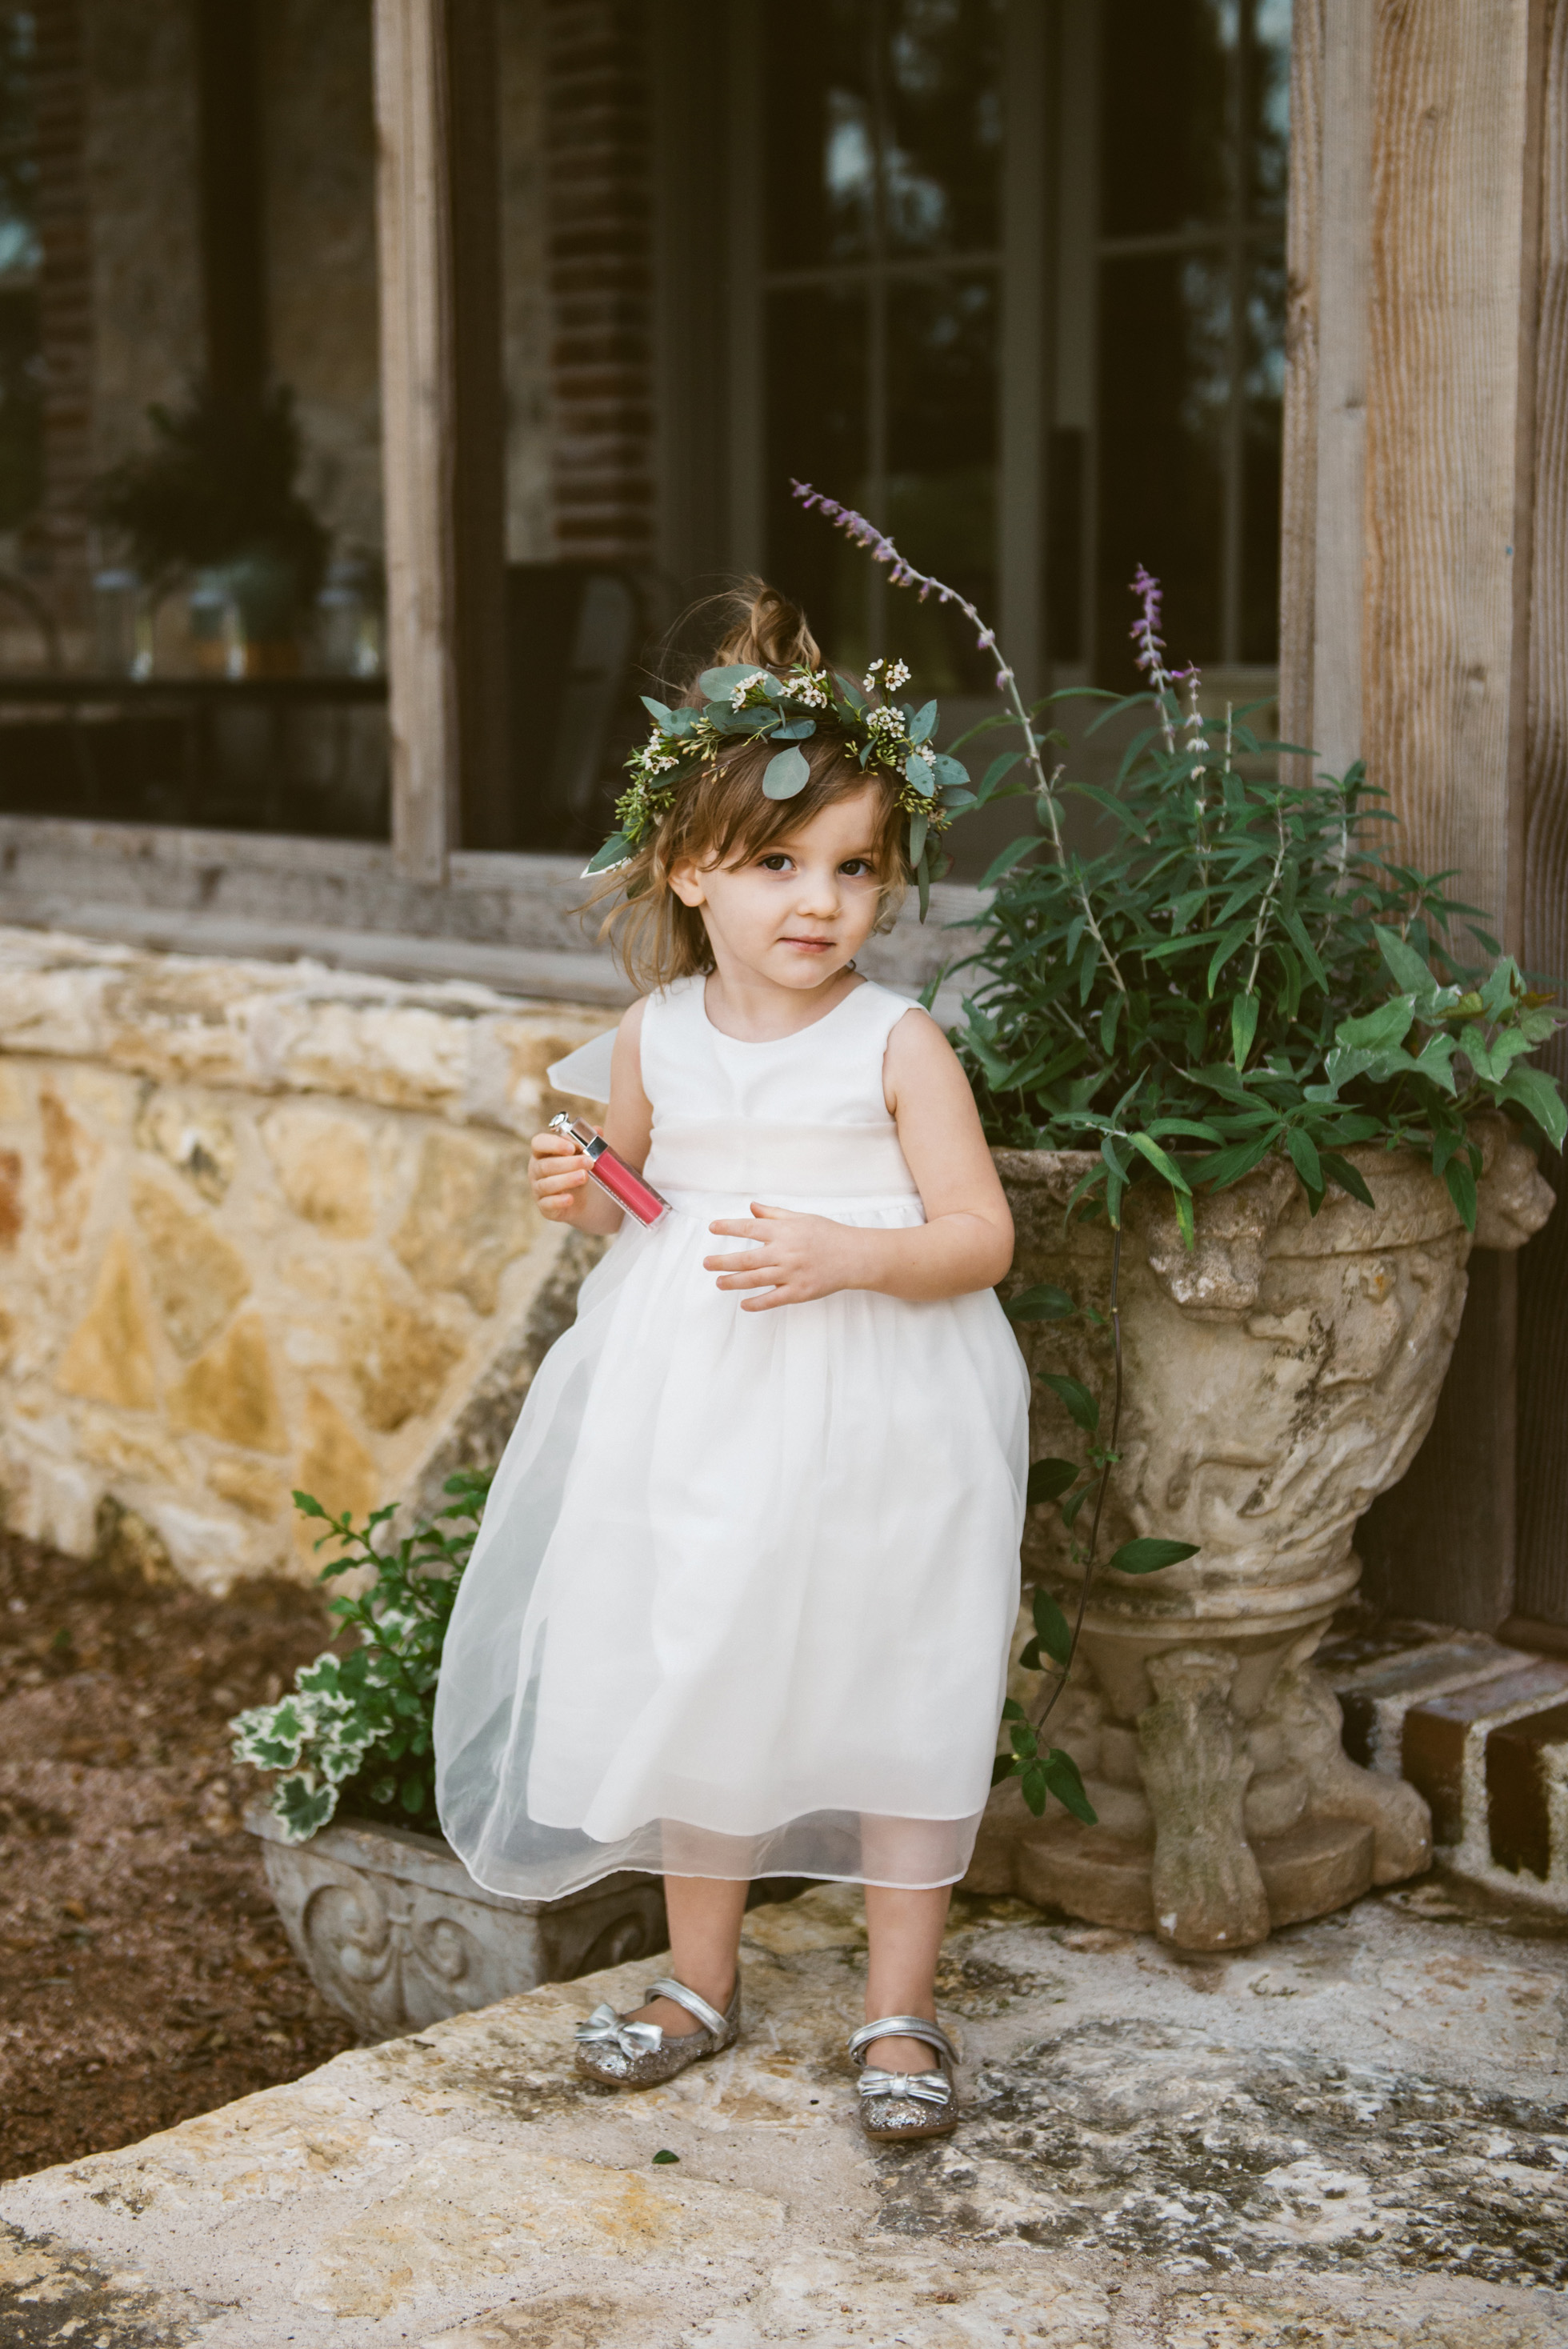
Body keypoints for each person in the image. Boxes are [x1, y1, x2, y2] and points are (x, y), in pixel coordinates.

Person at [434, 582, 1028, 2142]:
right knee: (699, 1658)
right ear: (692, 870)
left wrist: (854, 1253)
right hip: (694, 1394)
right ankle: (702, 1976)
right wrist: (589, 1193)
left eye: (852, 867)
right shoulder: (655, 1033)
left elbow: (975, 1235)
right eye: (777, 863)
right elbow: (644, 1192)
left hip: (885, 1401)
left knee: (898, 1669)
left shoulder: (895, 1044)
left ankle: (897, 2006)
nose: (817, 900)